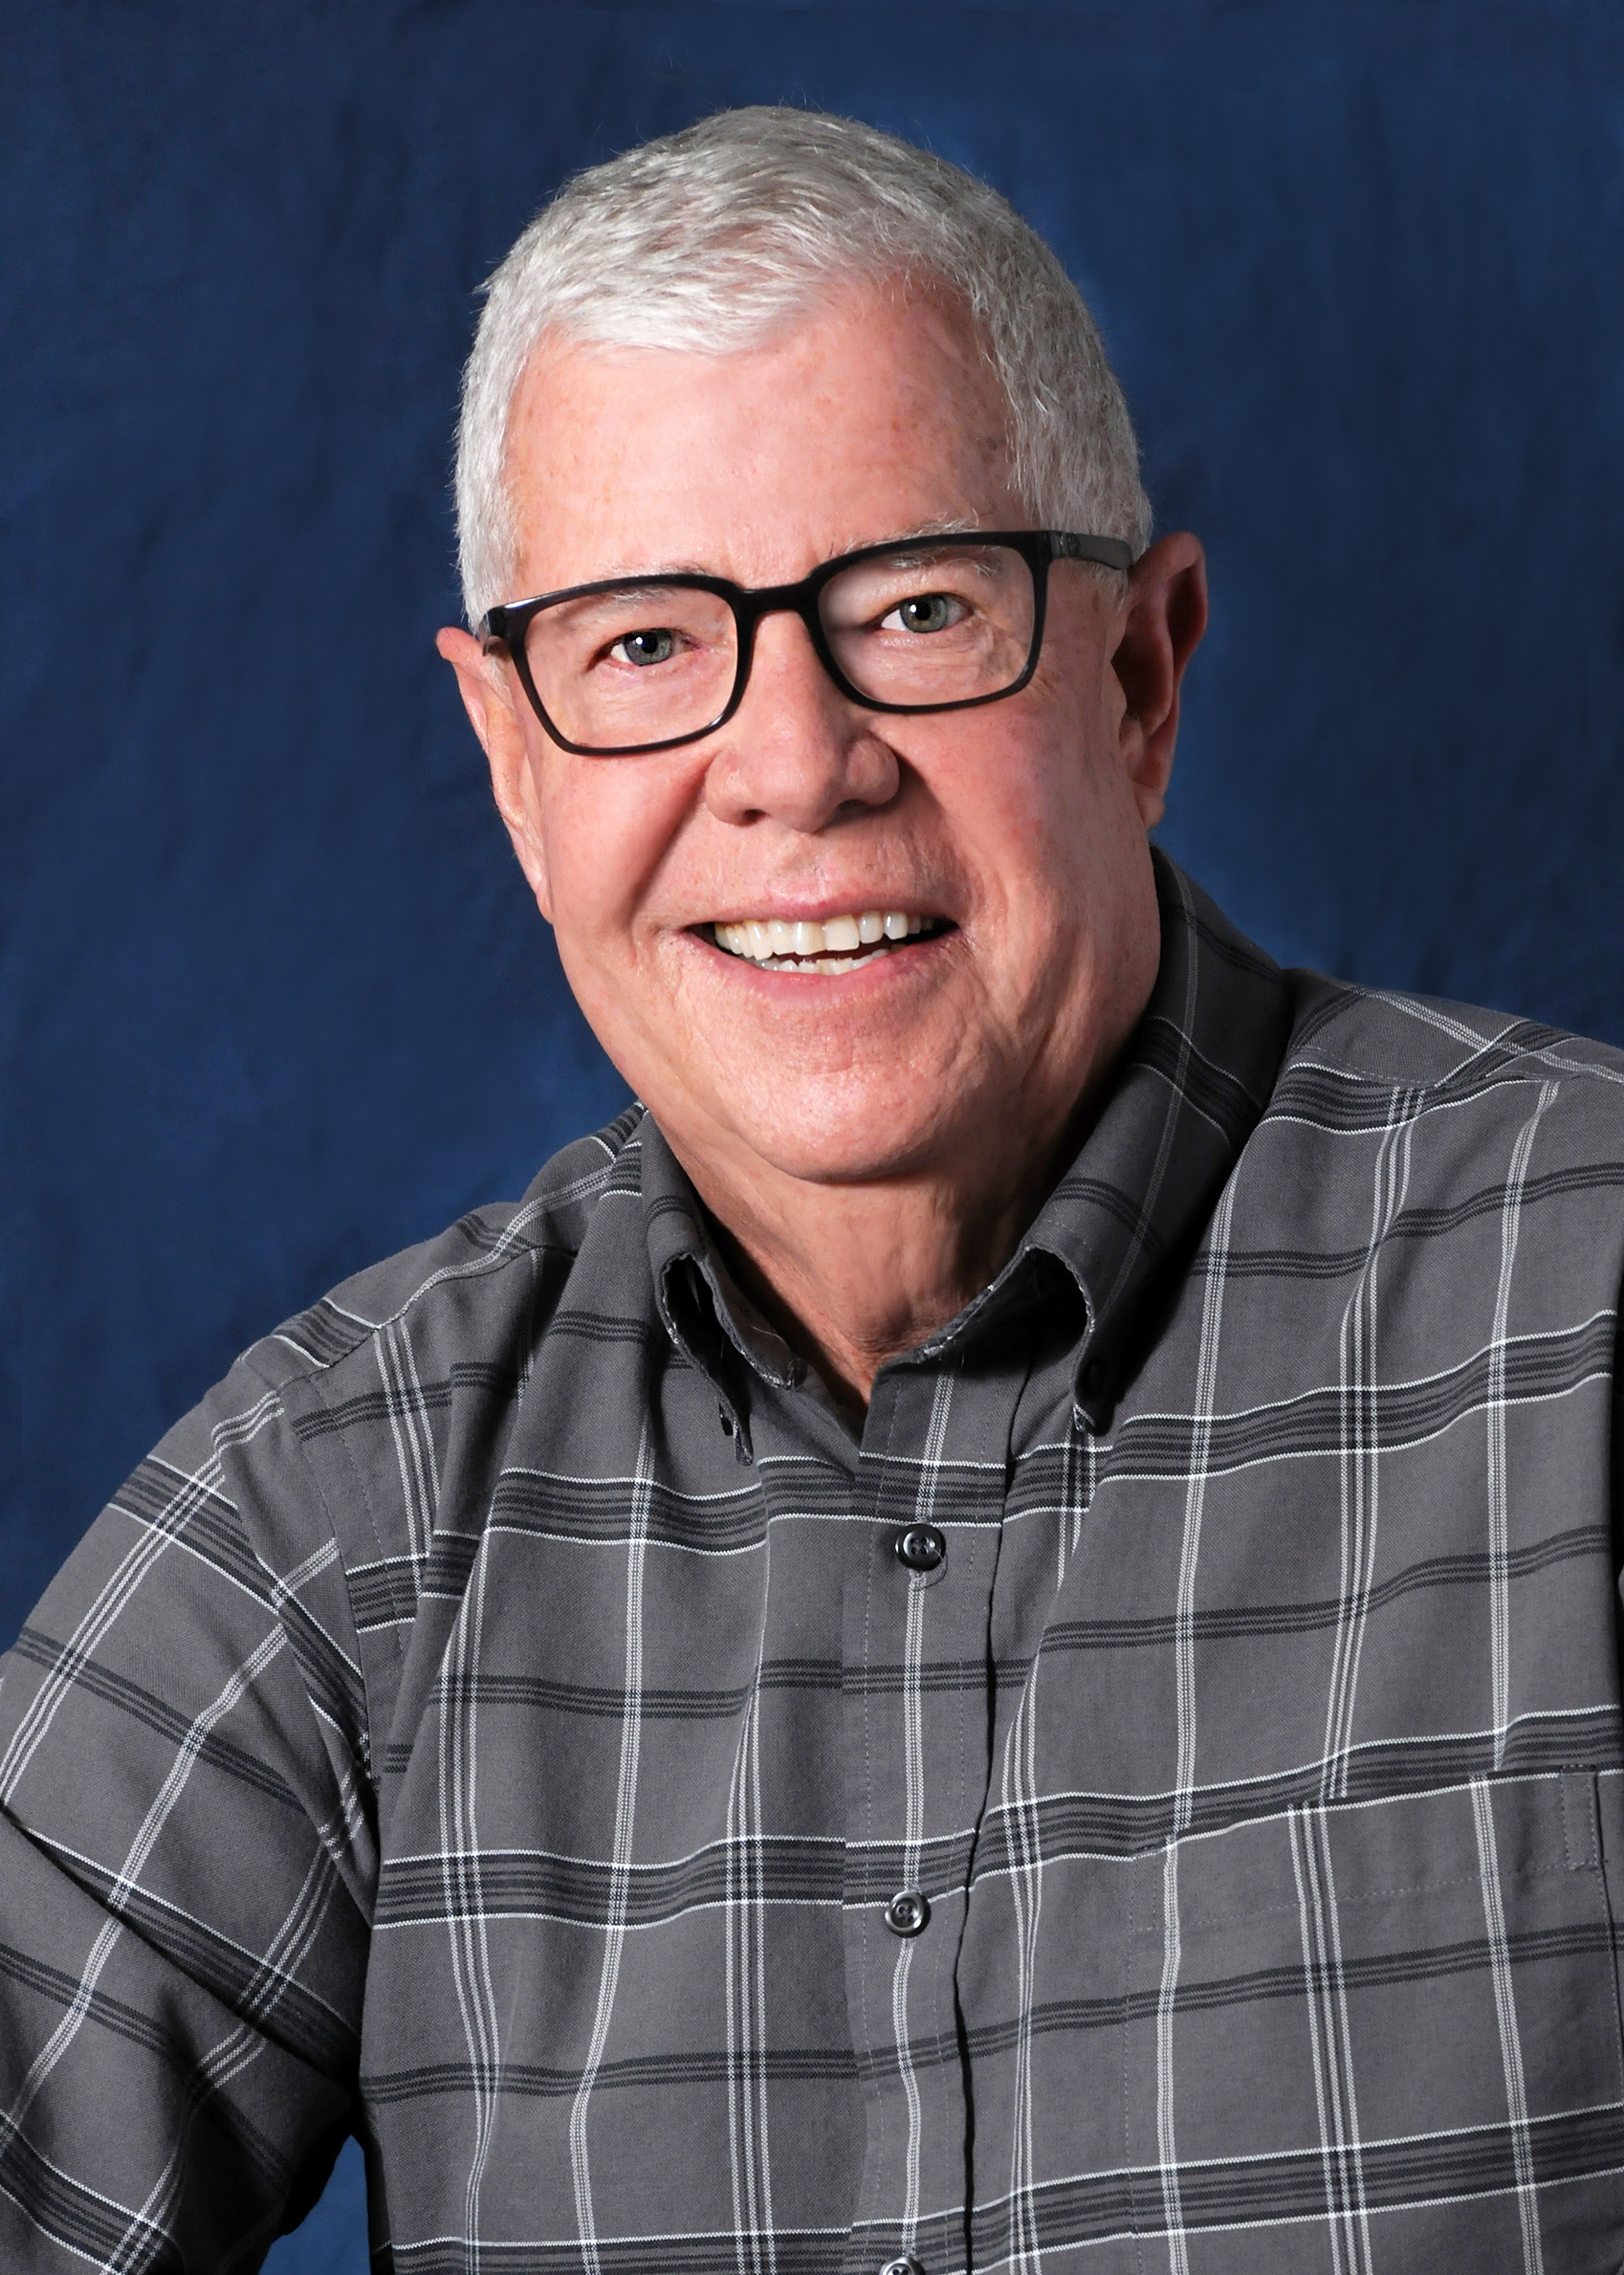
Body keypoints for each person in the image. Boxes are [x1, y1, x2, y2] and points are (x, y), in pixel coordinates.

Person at [3, 103, 1622, 2275]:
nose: (792, 766)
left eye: (917, 606)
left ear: (1138, 679)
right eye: (644, 647)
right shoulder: (340, 1519)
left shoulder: (1588, 1307)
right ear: (513, 766)